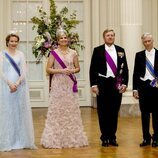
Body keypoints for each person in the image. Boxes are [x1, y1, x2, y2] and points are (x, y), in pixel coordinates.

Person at [40, 28, 88, 148]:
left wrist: (71, 70)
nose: (64, 39)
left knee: (70, 110)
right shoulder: (53, 53)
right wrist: (61, 70)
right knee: (58, 110)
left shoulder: (73, 53)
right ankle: (55, 139)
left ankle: (72, 138)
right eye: (61, 38)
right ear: (57, 40)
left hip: (69, 84)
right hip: (58, 84)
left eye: (65, 37)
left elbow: (78, 68)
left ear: (68, 39)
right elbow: (48, 69)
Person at [89, 29, 129, 147]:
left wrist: (125, 84)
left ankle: (112, 137)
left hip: (116, 84)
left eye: (112, 35)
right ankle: (104, 137)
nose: (110, 37)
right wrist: (94, 85)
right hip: (102, 84)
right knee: (102, 111)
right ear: (104, 37)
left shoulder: (121, 50)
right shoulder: (98, 50)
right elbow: (93, 69)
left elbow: (125, 69)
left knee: (114, 111)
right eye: (108, 35)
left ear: (114, 37)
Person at [0, 33, 37, 151]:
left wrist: (17, 83)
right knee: (8, 112)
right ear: (7, 42)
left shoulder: (21, 54)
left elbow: (24, 71)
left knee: (19, 112)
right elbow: (0, 72)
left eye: (16, 41)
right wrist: (10, 83)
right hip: (6, 86)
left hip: (19, 86)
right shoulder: (2, 54)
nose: (14, 43)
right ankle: (8, 141)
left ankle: (21, 140)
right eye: (11, 41)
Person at [133, 33, 158, 147]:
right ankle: (146, 138)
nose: (147, 43)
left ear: (153, 41)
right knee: (145, 114)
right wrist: (134, 89)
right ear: (142, 42)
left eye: (149, 41)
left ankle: (156, 138)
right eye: (145, 42)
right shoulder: (139, 55)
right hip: (143, 87)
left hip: (156, 87)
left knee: (157, 114)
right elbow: (135, 73)